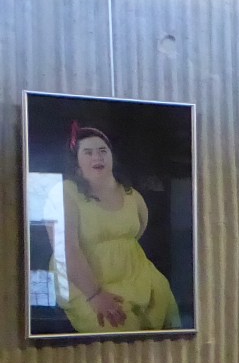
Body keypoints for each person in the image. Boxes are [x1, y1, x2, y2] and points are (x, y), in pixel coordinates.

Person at [47, 122, 181, 332]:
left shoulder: (131, 195)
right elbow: (66, 249)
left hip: (140, 277)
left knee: (168, 324)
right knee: (121, 329)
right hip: (86, 287)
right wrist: (95, 295)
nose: (97, 157)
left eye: (103, 151)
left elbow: (136, 234)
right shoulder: (64, 193)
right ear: (76, 161)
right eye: (88, 152)